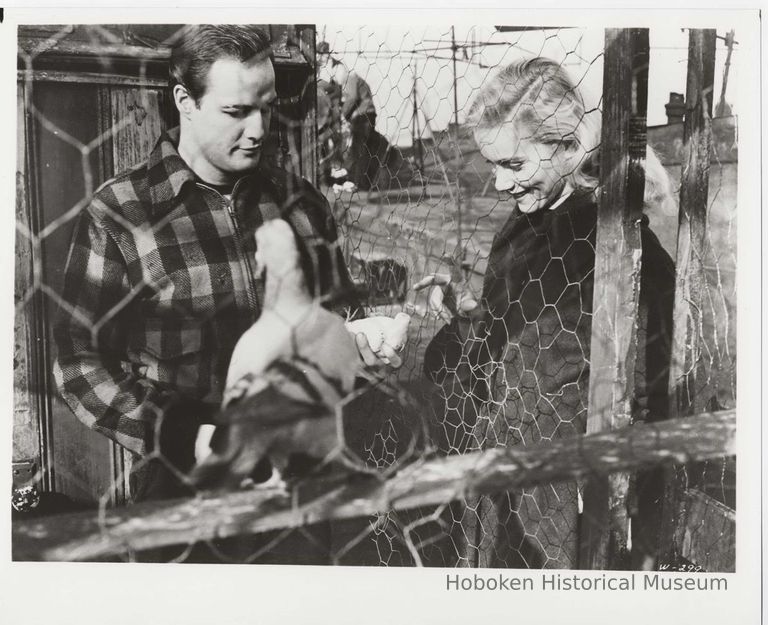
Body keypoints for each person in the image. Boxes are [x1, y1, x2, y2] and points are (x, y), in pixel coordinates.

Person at [53, 25, 400, 511]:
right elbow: (80, 365)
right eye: (236, 112)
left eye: (267, 108)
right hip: (184, 485)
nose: (258, 129)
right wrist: (183, 435)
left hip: (304, 478)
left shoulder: (300, 203)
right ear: (185, 101)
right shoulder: (123, 213)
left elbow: (336, 321)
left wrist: (361, 348)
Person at [415, 57, 676, 569]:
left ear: (568, 147)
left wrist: (623, 490)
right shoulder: (519, 228)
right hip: (509, 466)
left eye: (513, 165)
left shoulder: (617, 244)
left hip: (573, 486)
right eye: (492, 165)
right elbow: (522, 332)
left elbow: (647, 378)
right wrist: (470, 315)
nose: (499, 183)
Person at [332, 61, 379, 192]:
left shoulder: (351, 78)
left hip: (363, 116)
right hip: (368, 115)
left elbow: (352, 98)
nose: (336, 80)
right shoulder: (355, 79)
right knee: (363, 150)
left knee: (357, 149)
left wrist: (343, 115)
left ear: (341, 72)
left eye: (336, 76)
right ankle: (362, 182)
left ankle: (356, 182)